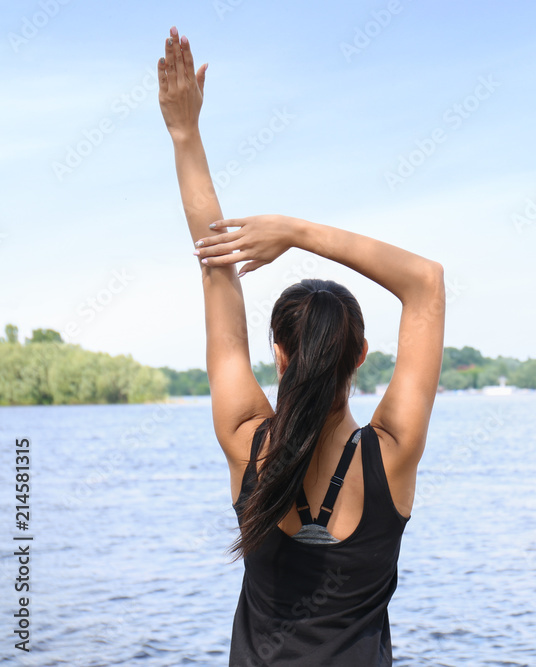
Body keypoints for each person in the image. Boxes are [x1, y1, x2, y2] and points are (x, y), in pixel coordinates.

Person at [156, 27, 445, 665]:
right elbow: (425, 283)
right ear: (361, 355)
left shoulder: (245, 441)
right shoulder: (391, 457)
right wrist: (295, 230)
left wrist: (185, 134)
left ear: (280, 356)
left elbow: (215, 266)